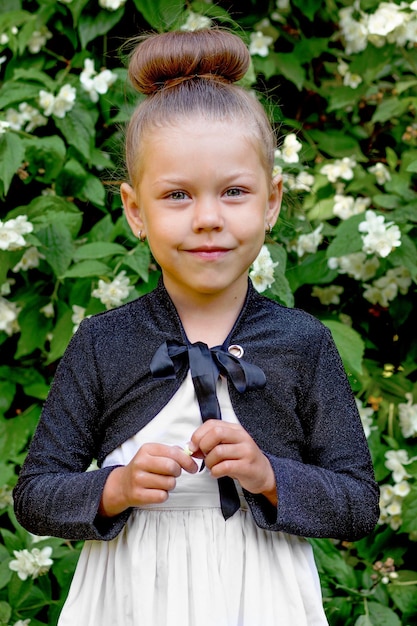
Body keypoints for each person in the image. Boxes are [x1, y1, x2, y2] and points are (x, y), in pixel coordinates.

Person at [13, 28, 379, 626]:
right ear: (135, 210)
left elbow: (358, 504)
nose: (208, 218)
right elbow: (35, 494)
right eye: (177, 195)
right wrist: (117, 487)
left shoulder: (302, 343)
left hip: (260, 600)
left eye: (234, 192)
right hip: (131, 598)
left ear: (272, 201)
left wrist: (269, 475)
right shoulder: (104, 342)